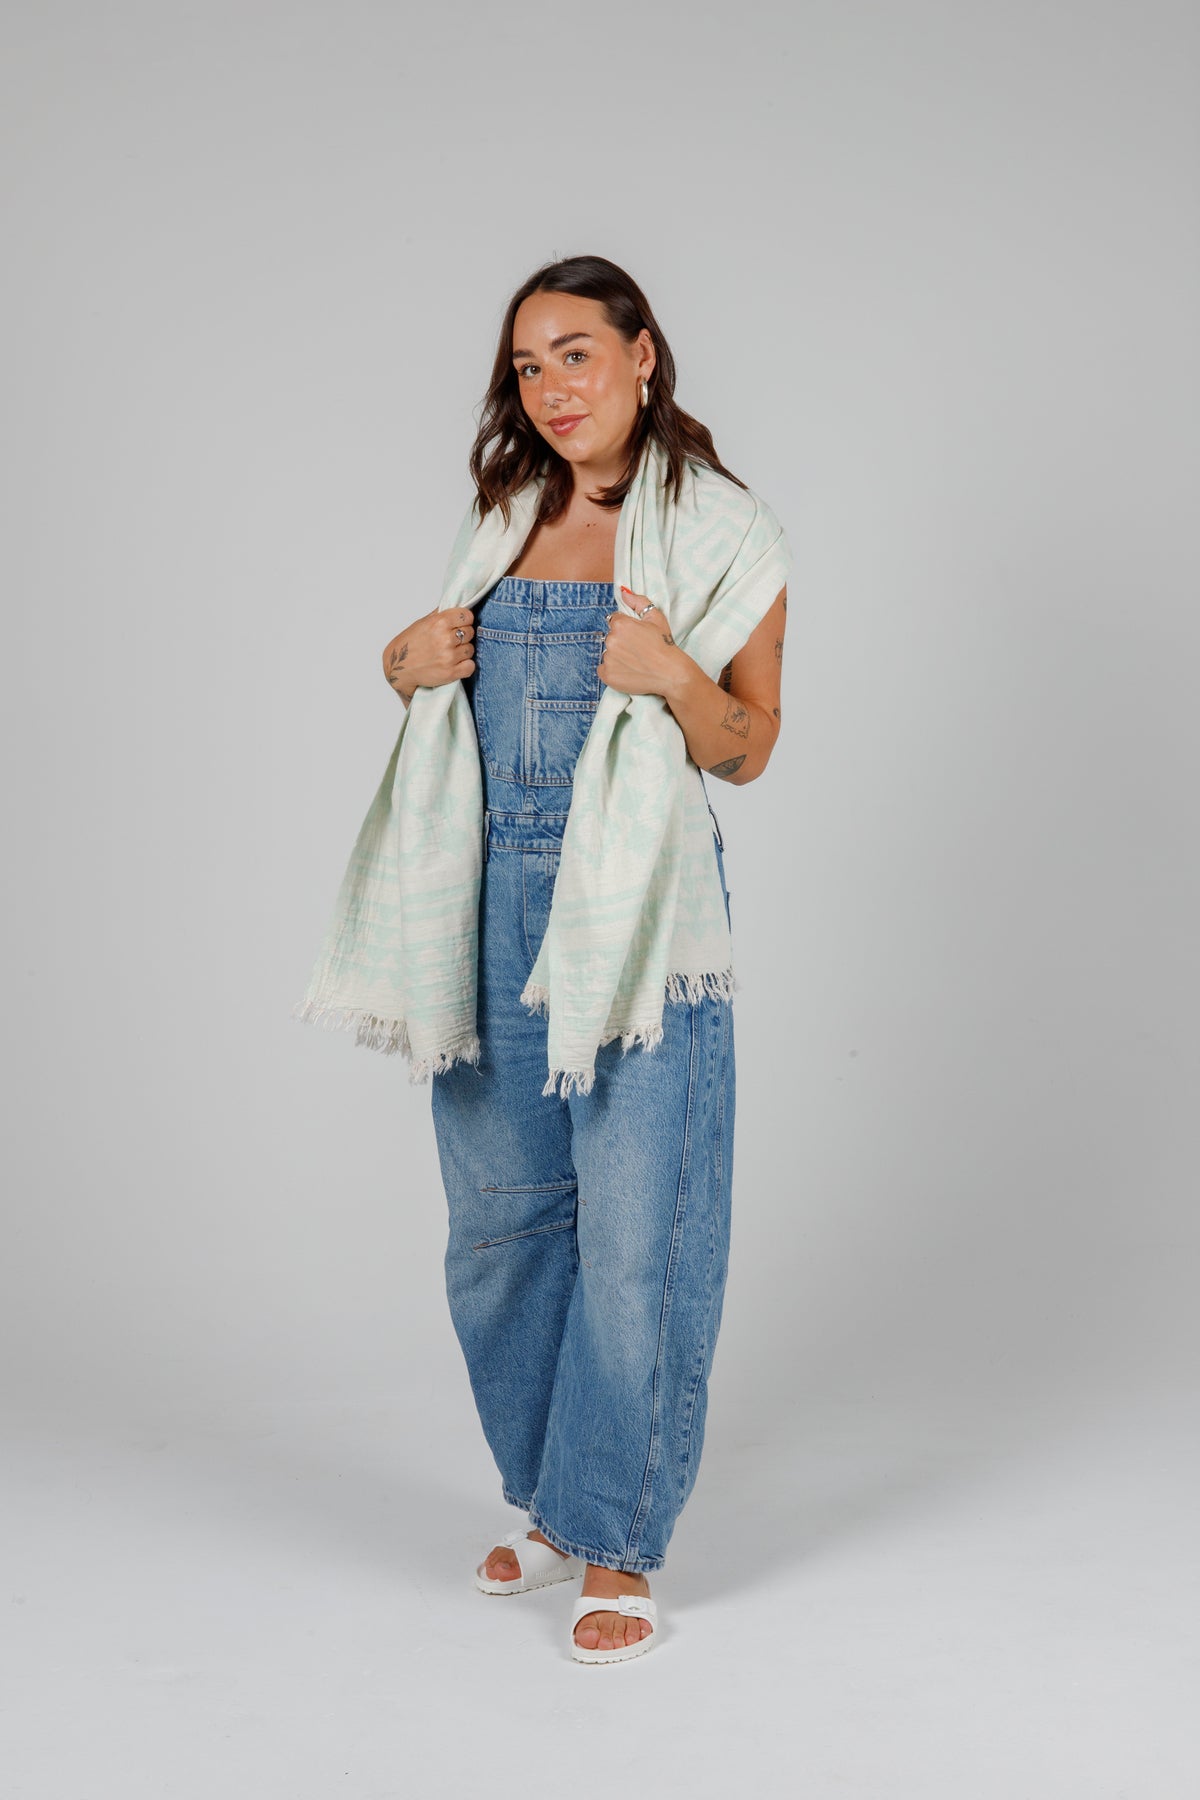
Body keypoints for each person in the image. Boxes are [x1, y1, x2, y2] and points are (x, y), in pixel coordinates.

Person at [379, 255, 787, 1664]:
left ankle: (616, 1536)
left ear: (642, 353)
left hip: (638, 911)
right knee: (499, 1229)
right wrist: (404, 660)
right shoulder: (503, 515)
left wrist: (674, 677)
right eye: (527, 366)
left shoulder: (722, 529)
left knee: (635, 1236)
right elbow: (433, 690)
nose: (551, 388)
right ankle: (553, 1500)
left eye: (575, 354)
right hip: (488, 897)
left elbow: (750, 746)